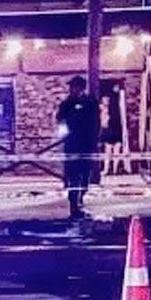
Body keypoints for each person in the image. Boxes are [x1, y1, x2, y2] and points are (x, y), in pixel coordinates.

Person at [56, 76, 99, 219]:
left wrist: (94, 140)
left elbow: (95, 122)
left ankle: (80, 198)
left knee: (86, 175)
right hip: (72, 145)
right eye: (71, 87)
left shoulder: (90, 103)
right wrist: (65, 134)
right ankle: (74, 205)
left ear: (81, 88)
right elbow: (60, 120)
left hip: (87, 145)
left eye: (74, 86)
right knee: (73, 176)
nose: (71, 89)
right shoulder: (66, 104)